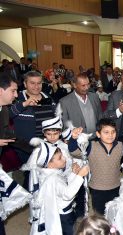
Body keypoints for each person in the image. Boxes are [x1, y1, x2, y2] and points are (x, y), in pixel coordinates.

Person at [69, 118, 123, 215]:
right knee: (99, 215)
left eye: (113, 132)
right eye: (106, 132)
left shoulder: (121, 146)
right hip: (97, 189)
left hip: (116, 186)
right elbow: (74, 151)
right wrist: (73, 138)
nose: (110, 135)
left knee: (114, 214)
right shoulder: (91, 146)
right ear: (98, 134)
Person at [28, 141, 89, 235]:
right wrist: (80, 176)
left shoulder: (49, 174)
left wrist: (73, 174)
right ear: (49, 164)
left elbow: (62, 188)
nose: (64, 158)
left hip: (60, 211)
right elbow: (67, 194)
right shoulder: (53, 179)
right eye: (60, 158)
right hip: (65, 216)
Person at [0, 73, 32, 235]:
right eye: (13, 91)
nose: (15, 95)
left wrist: (34, 150)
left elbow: (8, 135)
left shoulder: (4, 110)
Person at [60, 73, 102, 137]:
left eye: (88, 84)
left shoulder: (94, 97)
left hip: (96, 138)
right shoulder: (65, 102)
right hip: (78, 140)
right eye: (83, 85)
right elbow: (65, 126)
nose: (87, 87)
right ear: (74, 85)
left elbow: (100, 116)